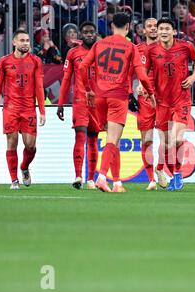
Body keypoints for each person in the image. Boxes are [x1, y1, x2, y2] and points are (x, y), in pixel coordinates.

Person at [79, 12, 155, 193]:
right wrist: (150, 93)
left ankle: (118, 182)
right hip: (117, 96)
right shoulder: (130, 47)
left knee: (115, 141)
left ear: (112, 26)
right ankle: (102, 177)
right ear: (128, 27)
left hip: (99, 97)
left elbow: (82, 67)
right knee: (113, 140)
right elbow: (142, 75)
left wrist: (89, 89)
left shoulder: (98, 44)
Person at [141, 17, 195, 191]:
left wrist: (193, 76)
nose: (163, 32)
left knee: (176, 139)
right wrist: (146, 91)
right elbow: (144, 73)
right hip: (161, 102)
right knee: (166, 143)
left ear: (174, 31)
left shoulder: (185, 46)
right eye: (161, 29)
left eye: (167, 29)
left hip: (181, 100)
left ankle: (178, 174)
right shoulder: (151, 50)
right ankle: (169, 171)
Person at [0, 30, 46, 190]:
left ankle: (24, 167)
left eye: (27, 40)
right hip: (10, 108)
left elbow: (39, 87)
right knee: (11, 142)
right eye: (22, 40)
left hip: (28, 109)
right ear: (14, 42)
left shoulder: (35, 61)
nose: (26, 43)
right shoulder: (4, 61)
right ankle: (14, 180)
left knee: (30, 146)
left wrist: (42, 110)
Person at [57, 21, 100, 190]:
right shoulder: (73, 53)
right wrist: (61, 103)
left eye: (92, 32)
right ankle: (78, 176)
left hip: (97, 103)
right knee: (80, 136)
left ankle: (90, 179)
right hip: (80, 101)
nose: (89, 35)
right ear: (81, 35)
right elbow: (67, 79)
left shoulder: (102, 51)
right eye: (86, 32)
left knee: (93, 139)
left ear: (95, 34)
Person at [134, 17, 164, 191]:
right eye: (150, 26)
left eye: (156, 26)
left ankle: (162, 170)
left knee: (167, 140)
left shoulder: (167, 48)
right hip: (145, 99)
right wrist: (135, 87)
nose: (153, 29)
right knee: (147, 140)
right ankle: (151, 179)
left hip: (164, 99)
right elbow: (128, 72)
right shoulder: (137, 50)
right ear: (143, 30)